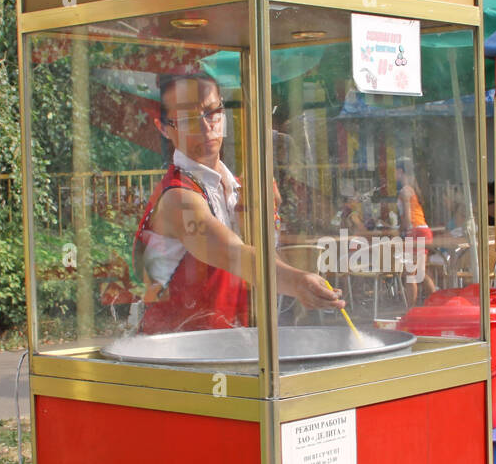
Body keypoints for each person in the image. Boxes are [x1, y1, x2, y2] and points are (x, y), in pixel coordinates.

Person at [133, 71, 343, 333]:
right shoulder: (178, 198)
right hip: (176, 356)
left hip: (231, 346)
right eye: (188, 119)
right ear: (163, 128)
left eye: (213, 112)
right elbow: (234, 255)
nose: (207, 126)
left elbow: (265, 260)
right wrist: (298, 282)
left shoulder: (239, 189)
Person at [396, 157, 436, 307]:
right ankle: (436, 302)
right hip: (422, 230)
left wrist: (406, 231)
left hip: (415, 231)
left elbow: (407, 215)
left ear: (400, 171)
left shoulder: (405, 190)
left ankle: (410, 309)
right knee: (420, 272)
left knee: (410, 274)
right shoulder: (412, 188)